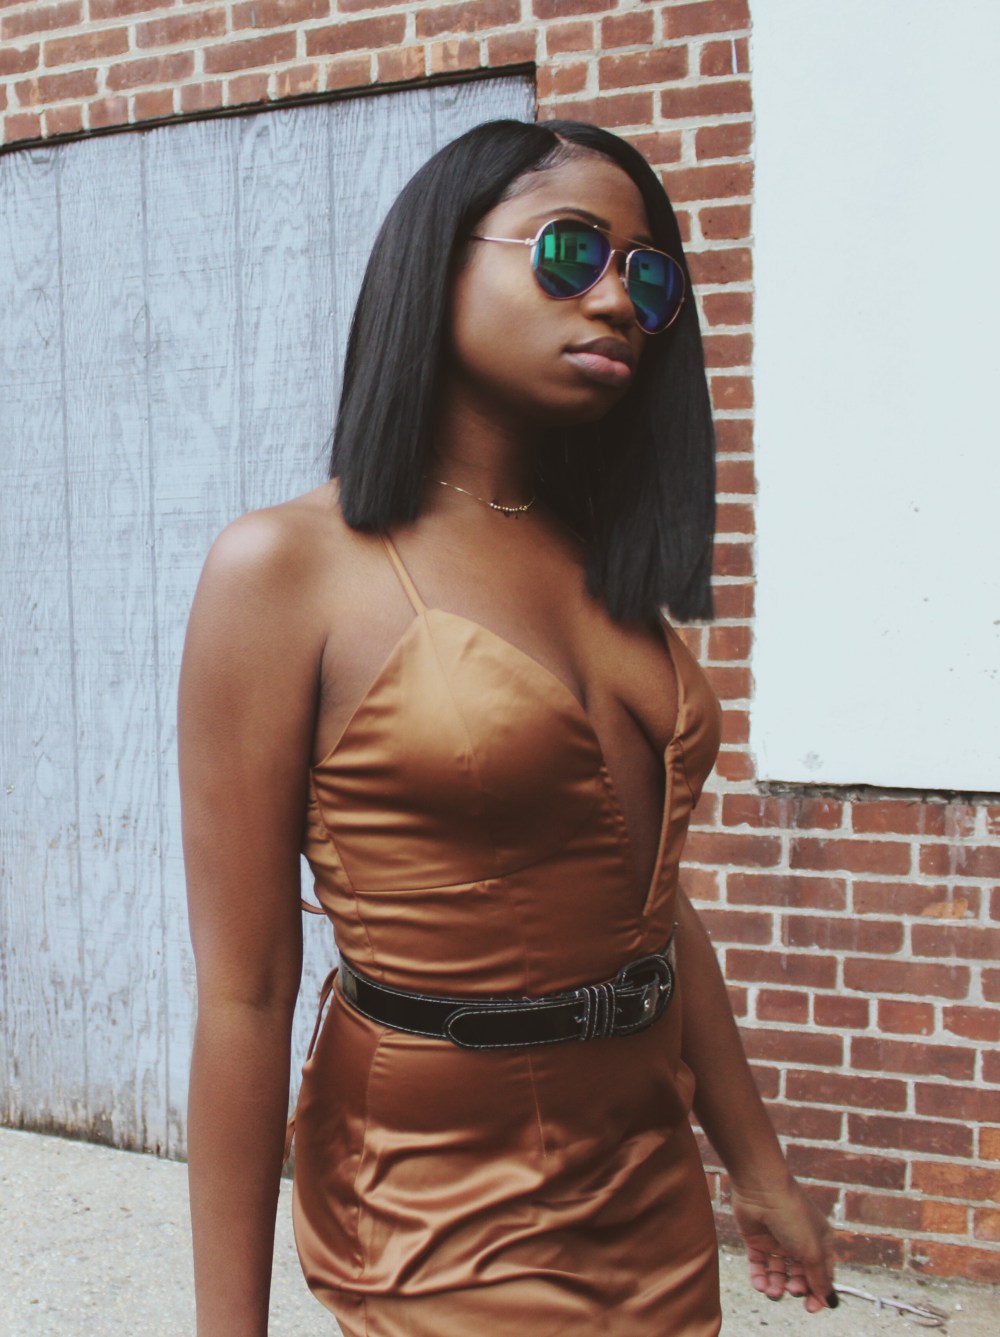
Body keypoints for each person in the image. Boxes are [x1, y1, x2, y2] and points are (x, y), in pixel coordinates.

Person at [180, 119, 835, 1337]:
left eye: (648, 278)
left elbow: (650, 904)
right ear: (438, 262)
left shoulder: (596, 560)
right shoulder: (285, 569)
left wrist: (758, 1169)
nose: (617, 300)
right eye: (569, 251)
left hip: (646, 1177)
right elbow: (246, 991)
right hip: (436, 1191)